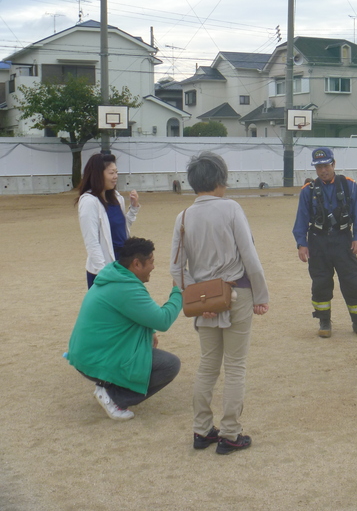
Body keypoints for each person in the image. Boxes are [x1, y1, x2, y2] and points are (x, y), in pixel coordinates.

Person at [170, 151, 269, 455]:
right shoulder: (231, 208)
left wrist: (197, 298)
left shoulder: (183, 217)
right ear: (218, 180)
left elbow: (176, 268)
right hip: (236, 292)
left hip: (204, 299)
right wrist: (261, 295)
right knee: (235, 366)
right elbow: (249, 255)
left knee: (207, 365)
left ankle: (202, 430)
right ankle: (230, 433)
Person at [67, 237, 182, 421]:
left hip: (87, 355)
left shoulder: (115, 276)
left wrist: (149, 332)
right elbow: (163, 320)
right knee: (169, 365)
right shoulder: (126, 289)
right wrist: (178, 292)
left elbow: (135, 315)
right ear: (137, 264)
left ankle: (108, 385)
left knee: (149, 348)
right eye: (151, 262)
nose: (153, 267)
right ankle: (114, 397)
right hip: (95, 360)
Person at [292, 147, 357, 339]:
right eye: (319, 167)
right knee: (320, 283)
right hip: (318, 242)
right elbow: (301, 219)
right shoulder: (307, 191)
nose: (323, 170)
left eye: (326, 165)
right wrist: (302, 244)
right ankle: (324, 321)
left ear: (333, 164)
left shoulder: (349, 185)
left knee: (353, 281)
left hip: (343, 239)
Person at [76, 153, 140, 288]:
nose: (115, 176)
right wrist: (104, 273)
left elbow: (122, 229)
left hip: (123, 264)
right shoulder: (89, 202)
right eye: (111, 173)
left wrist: (133, 208)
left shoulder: (116, 198)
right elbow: (92, 242)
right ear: (98, 174)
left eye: (116, 172)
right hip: (104, 269)